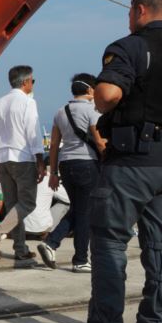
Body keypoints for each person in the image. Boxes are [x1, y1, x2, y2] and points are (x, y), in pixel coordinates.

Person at [65, 0, 162, 323]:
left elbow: (107, 95)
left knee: (109, 242)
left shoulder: (130, 46)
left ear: (140, 10)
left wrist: (111, 101)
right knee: (161, 247)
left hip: (132, 162)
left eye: (130, 12)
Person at [39, 74, 105, 272]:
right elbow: (99, 141)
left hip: (66, 165)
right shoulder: (94, 110)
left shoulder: (61, 111)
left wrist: (53, 172)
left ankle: (51, 243)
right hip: (87, 164)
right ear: (90, 90)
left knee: (78, 209)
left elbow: (53, 145)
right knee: (84, 213)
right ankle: (80, 259)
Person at [0, 65, 46, 265]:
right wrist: (40, 160)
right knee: (27, 203)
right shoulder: (28, 102)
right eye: (32, 81)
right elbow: (32, 131)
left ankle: (21, 249)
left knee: (13, 205)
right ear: (26, 82)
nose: (33, 84)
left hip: (2, 158)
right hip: (22, 156)